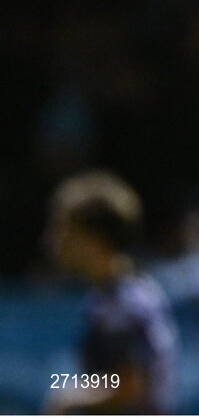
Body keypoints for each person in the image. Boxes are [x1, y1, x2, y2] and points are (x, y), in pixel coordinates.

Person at [44, 169, 177, 415]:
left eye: (64, 229)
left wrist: (69, 397)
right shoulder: (105, 296)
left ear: (93, 238)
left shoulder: (126, 303)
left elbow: (129, 384)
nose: (53, 240)